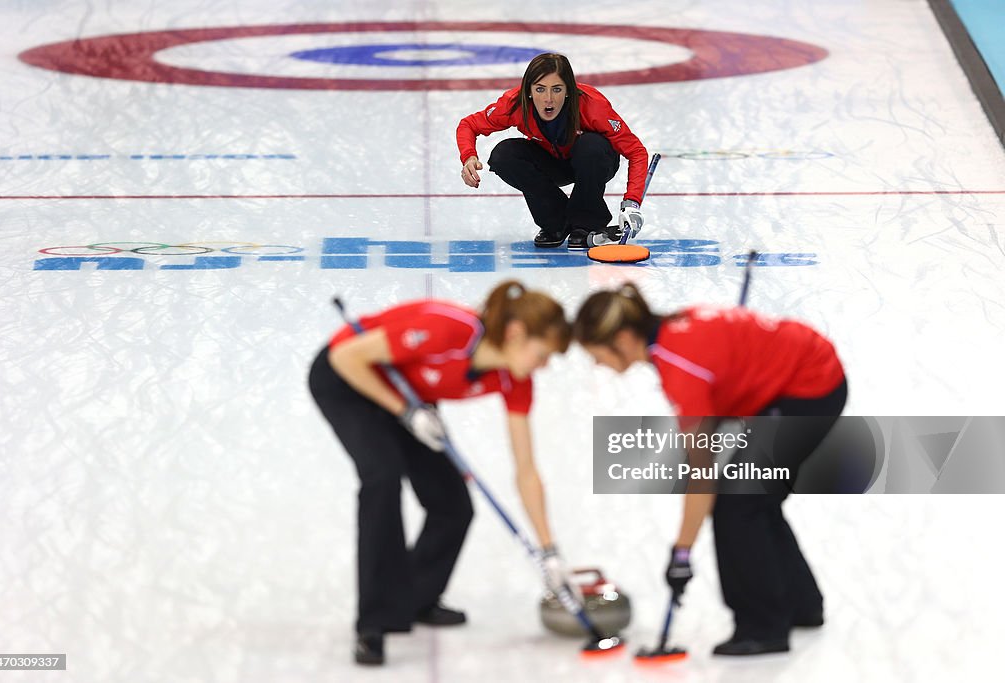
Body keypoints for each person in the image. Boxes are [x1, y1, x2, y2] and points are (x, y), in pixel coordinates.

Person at [308, 280, 576, 666]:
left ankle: (415, 598)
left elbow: (526, 470)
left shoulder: (515, 379)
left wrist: (550, 552)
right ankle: (374, 623)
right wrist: (405, 412)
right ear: (516, 334)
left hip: (411, 399)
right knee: (382, 476)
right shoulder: (448, 329)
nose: (545, 365)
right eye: (543, 353)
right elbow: (346, 358)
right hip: (349, 379)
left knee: (452, 504)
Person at [574, 284, 847, 656]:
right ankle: (802, 607)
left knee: (739, 504)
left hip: (808, 387)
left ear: (622, 338)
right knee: (754, 498)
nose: (597, 364)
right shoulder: (672, 336)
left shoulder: (680, 366)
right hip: (803, 374)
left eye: (597, 354)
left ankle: (763, 628)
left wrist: (681, 553)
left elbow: (701, 479)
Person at [456, 52, 649, 250]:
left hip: (593, 162)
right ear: (528, 91)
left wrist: (632, 202)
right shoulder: (514, 103)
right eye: (540, 89)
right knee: (503, 155)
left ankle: (586, 224)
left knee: (590, 145)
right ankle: (556, 222)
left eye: (556, 89)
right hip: (552, 163)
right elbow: (468, 125)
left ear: (568, 90)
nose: (548, 99)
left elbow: (636, 151)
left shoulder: (592, 105)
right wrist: (468, 156)